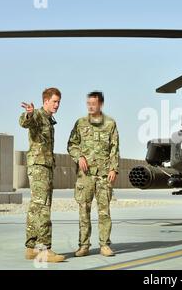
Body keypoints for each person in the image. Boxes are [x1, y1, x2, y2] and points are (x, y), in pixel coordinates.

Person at [67, 91, 119, 257]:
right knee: (84, 210)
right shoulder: (80, 123)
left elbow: (114, 148)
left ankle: (104, 245)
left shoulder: (110, 123)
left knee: (104, 211)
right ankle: (84, 245)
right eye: (88, 103)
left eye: (93, 104)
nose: (90, 106)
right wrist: (79, 156)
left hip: (104, 174)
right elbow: (71, 144)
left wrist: (113, 168)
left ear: (100, 104)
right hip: (85, 175)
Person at [20, 87, 65, 262]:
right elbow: (25, 122)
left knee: (35, 207)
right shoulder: (38, 115)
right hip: (39, 167)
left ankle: (31, 248)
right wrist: (29, 114)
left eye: (59, 102)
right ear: (45, 101)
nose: (57, 105)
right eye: (54, 101)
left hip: (42, 166)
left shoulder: (49, 120)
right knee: (44, 207)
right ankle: (44, 249)